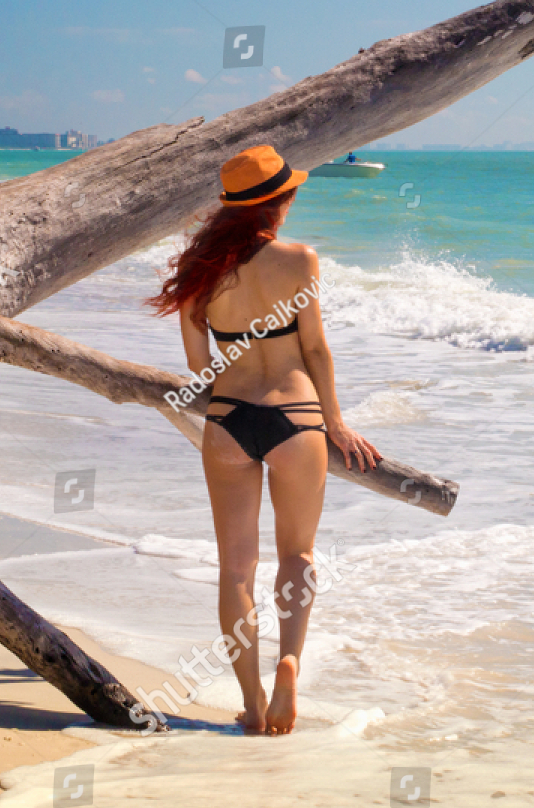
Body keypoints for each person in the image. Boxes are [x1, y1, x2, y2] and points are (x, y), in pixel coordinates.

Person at [147, 145, 379, 735]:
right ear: (277, 203)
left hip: (228, 424)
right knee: (297, 555)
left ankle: (251, 706)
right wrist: (336, 423)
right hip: (296, 417)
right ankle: (290, 664)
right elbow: (317, 350)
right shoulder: (300, 260)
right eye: (290, 194)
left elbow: (199, 371)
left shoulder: (199, 277)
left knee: (235, 571)